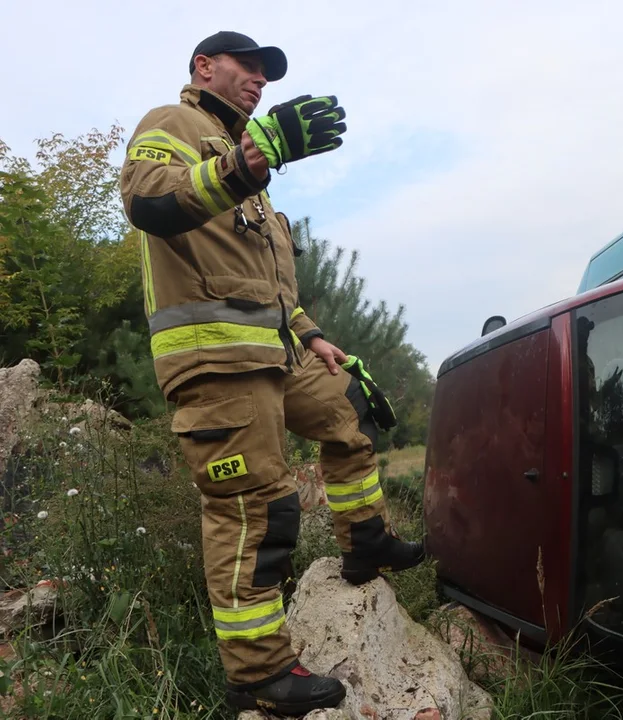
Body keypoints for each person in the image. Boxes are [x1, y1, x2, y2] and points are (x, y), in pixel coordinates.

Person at [119, 31, 425, 716]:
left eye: (267, 74)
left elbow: (267, 283)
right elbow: (148, 203)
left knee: (353, 410)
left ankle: (365, 542)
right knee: (256, 506)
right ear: (204, 67)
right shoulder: (171, 125)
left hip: (276, 353)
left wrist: (315, 337)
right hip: (214, 361)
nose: (260, 81)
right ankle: (256, 674)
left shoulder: (250, 169)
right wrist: (246, 161)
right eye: (247, 67)